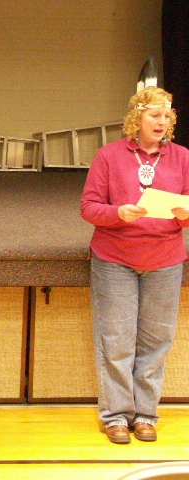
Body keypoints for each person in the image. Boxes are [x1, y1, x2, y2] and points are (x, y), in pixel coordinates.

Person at [81, 87, 189, 444]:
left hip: (165, 260)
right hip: (116, 259)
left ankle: (145, 415)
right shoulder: (109, 156)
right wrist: (118, 213)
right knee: (116, 341)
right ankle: (115, 416)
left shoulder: (182, 157)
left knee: (157, 342)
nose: (162, 122)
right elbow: (89, 207)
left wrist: (185, 214)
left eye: (167, 116)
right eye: (154, 115)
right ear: (137, 118)